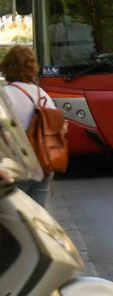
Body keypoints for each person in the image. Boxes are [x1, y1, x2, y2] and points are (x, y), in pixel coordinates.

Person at [2, 47, 56, 209]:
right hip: (43, 163)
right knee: (37, 216)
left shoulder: (5, 95)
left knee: (12, 219)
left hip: (16, 165)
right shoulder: (42, 94)